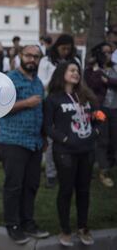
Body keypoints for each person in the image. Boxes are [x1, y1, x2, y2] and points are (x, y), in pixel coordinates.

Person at [44, 61, 101, 247]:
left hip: (87, 151)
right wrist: (66, 140)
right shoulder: (53, 99)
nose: (76, 73)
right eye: (72, 70)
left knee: (84, 191)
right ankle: (65, 229)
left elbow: (98, 117)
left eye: (77, 70)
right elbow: (47, 127)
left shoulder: (85, 96)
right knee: (66, 190)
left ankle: (83, 227)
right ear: (62, 73)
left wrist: (96, 131)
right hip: (65, 153)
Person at [0, 45, 49, 244]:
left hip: (34, 143)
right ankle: (13, 225)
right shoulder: (9, 79)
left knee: (31, 186)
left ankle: (28, 222)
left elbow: (41, 112)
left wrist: (43, 138)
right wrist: (25, 103)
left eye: (36, 57)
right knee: (14, 186)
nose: (32, 60)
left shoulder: (38, 82)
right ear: (20, 56)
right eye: (28, 55)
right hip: (13, 141)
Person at [38, 34, 81, 188]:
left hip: (71, 102)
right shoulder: (47, 61)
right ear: (57, 47)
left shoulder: (74, 61)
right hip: (53, 101)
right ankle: (51, 173)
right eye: (63, 48)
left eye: (68, 49)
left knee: (73, 135)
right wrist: (57, 76)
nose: (65, 52)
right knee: (52, 138)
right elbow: (41, 82)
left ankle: (71, 171)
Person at [84, 42, 117, 188]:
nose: (108, 55)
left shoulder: (114, 68)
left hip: (114, 110)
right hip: (100, 109)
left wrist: (108, 81)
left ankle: (108, 166)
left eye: (110, 52)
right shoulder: (91, 70)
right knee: (102, 140)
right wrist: (99, 74)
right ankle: (103, 171)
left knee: (113, 141)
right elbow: (92, 84)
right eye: (104, 52)